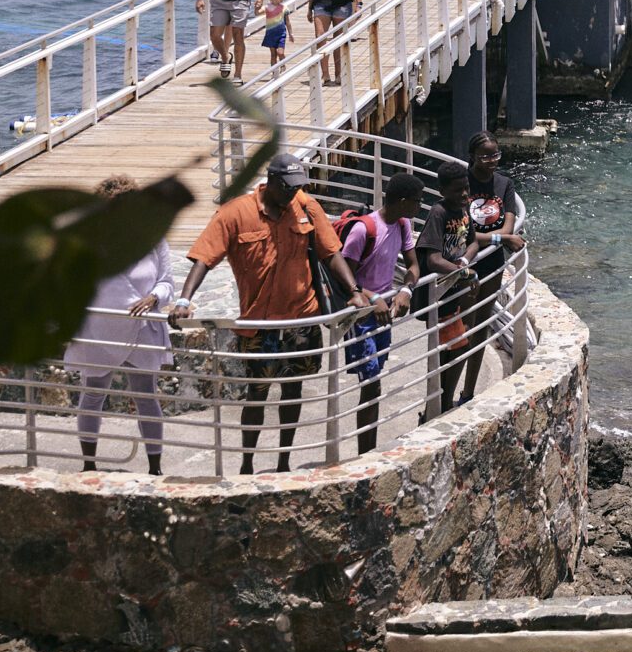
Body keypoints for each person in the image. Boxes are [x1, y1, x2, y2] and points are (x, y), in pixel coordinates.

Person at [169, 155, 371, 475]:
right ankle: (247, 465)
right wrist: (183, 299)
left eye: (298, 188)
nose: (294, 194)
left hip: (300, 322)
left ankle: (284, 461)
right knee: (257, 395)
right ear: (272, 182)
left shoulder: (306, 207)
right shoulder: (236, 213)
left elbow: (330, 253)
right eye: (288, 188)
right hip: (259, 326)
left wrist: (355, 291)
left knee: (293, 392)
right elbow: (204, 257)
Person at [66, 176, 173, 475]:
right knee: (93, 392)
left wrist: (153, 297)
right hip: (100, 326)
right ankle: (88, 465)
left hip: (142, 326)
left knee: (146, 395)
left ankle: (155, 468)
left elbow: (167, 282)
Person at [414, 133, 525, 419]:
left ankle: (468, 393)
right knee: (458, 332)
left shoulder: (504, 184)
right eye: (485, 156)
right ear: (472, 156)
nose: (492, 161)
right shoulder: (461, 185)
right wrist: (488, 243)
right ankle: (440, 402)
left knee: (480, 329)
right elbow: (469, 233)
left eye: (496, 155)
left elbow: (505, 230)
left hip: (489, 265)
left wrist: (492, 240)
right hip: (462, 270)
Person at [338, 173, 422, 455]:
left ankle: (367, 448)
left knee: (374, 379)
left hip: (385, 312)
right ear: (401, 201)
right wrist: (372, 298)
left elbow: (413, 265)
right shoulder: (364, 230)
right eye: (416, 201)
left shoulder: (403, 223)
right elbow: (343, 274)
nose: (419, 206)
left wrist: (405, 291)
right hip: (362, 315)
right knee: (371, 382)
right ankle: (366, 453)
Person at [259, 0, 293, 66]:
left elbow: (288, 22)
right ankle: (274, 73)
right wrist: (257, 6)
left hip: (281, 34)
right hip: (271, 34)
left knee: (280, 52)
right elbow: (257, 13)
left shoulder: (284, 8)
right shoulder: (267, 7)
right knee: (273, 55)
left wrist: (291, 34)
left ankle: (283, 65)